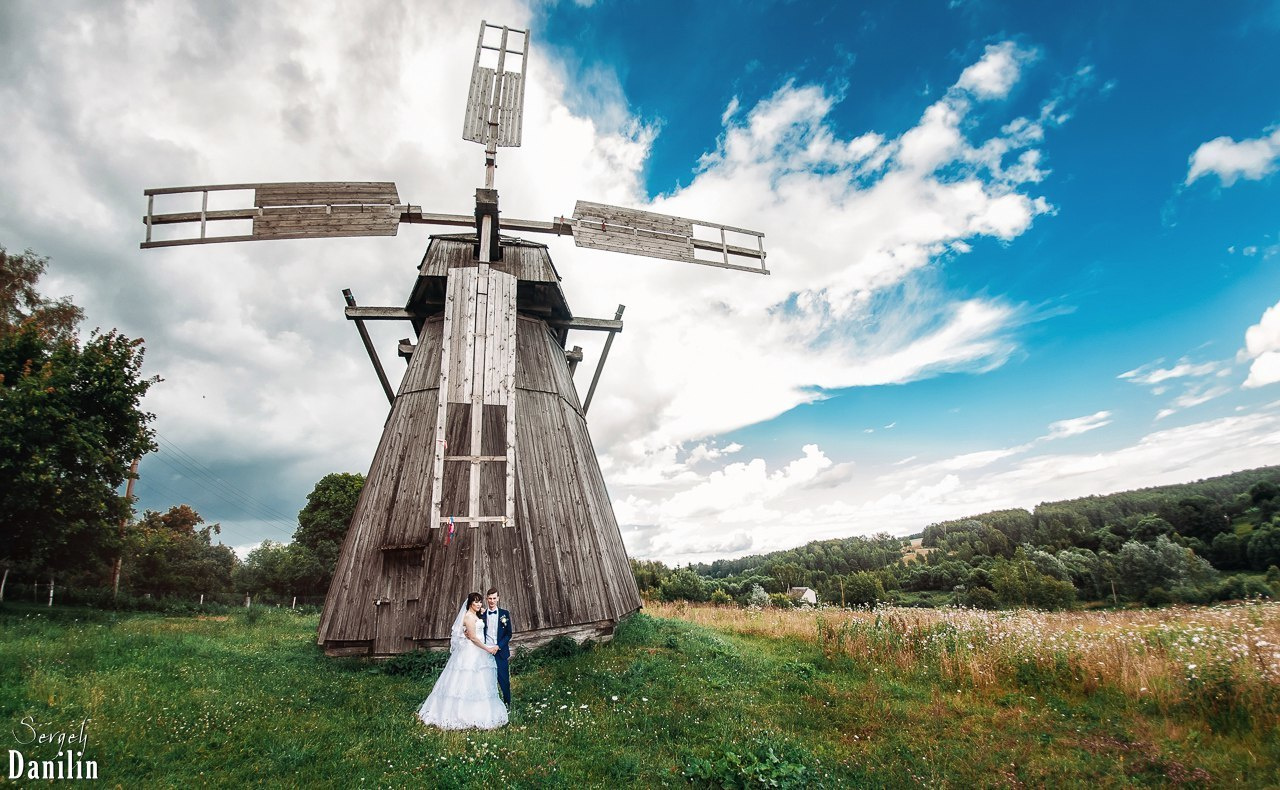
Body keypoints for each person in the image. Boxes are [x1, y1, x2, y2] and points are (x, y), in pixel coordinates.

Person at [416, 592, 508, 730]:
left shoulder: (477, 614)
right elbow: (473, 638)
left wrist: (482, 611)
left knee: (481, 682)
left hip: (480, 652)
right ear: (470, 603)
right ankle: (461, 714)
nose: (479, 604)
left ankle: (482, 711)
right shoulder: (468, 617)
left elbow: (482, 618)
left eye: (480, 602)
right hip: (472, 651)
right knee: (466, 680)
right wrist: (487, 649)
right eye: (475, 602)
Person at [481, 587, 513, 705]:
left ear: (498, 599)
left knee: (504, 679)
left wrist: (498, 646)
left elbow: (508, 634)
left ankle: (507, 704)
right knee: (486, 680)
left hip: (500, 652)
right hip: (485, 651)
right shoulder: (482, 614)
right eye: (489, 598)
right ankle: (489, 705)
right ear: (486, 599)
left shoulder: (504, 614)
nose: (492, 601)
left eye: (494, 598)